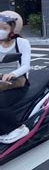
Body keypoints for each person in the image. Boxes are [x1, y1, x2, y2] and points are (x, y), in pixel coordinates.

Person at [0, 11, 31, 144]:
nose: (1, 31)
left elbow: (26, 66)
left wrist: (12, 74)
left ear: (13, 29)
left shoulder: (22, 43)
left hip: (17, 81)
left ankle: (19, 128)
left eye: (4, 28)